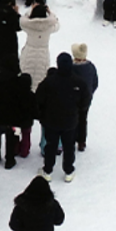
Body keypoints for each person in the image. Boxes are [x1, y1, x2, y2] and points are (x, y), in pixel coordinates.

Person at [35, 53, 91, 183]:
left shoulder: (49, 82)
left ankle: (47, 171)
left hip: (51, 121)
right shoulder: (79, 82)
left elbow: (39, 99)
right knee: (69, 146)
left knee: (51, 146)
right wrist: (77, 110)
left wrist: (42, 115)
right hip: (70, 121)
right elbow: (85, 101)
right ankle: (69, 171)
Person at [0, 60, 27, 169]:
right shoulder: (17, 80)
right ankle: (9, 159)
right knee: (11, 137)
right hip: (11, 115)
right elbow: (21, 98)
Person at [19, 4, 59, 89]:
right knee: (40, 77)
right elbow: (56, 23)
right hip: (43, 54)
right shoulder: (49, 27)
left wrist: (30, 10)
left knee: (26, 75)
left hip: (29, 52)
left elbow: (22, 20)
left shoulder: (28, 26)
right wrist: (50, 12)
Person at [71, 44, 98, 152]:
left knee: (72, 119)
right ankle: (81, 142)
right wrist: (90, 93)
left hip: (73, 99)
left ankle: (71, 139)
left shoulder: (71, 68)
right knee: (83, 119)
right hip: (86, 99)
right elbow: (95, 82)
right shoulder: (90, 67)